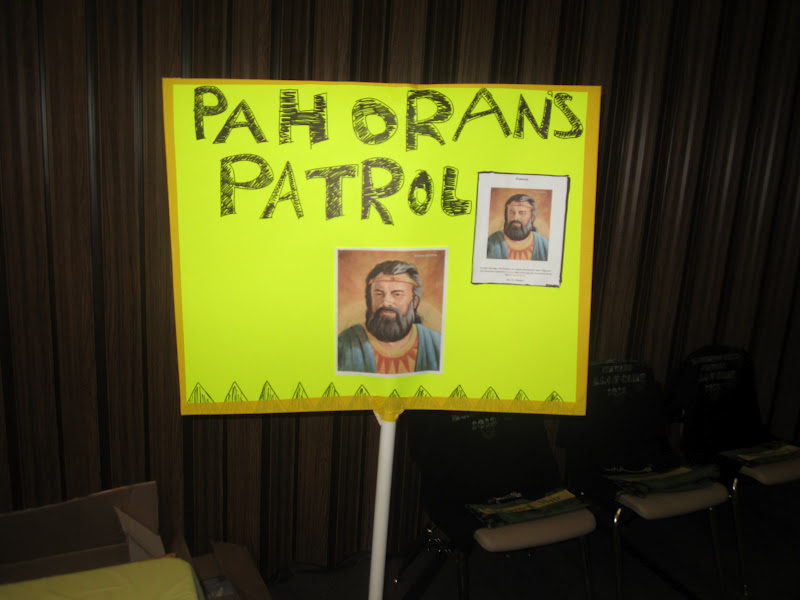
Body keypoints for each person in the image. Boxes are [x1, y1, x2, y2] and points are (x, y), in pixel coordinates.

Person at [338, 260, 442, 374]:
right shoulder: (344, 343)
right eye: (379, 294)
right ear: (369, 299)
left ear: (415, 302)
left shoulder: (437, 343)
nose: (386, 302)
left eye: (397, 294)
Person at [487, 193, 549, 260]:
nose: (515, 217)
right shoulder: (491, 242)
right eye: (512, 212)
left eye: (522, 213)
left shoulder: (545, 244)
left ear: (532, 218)